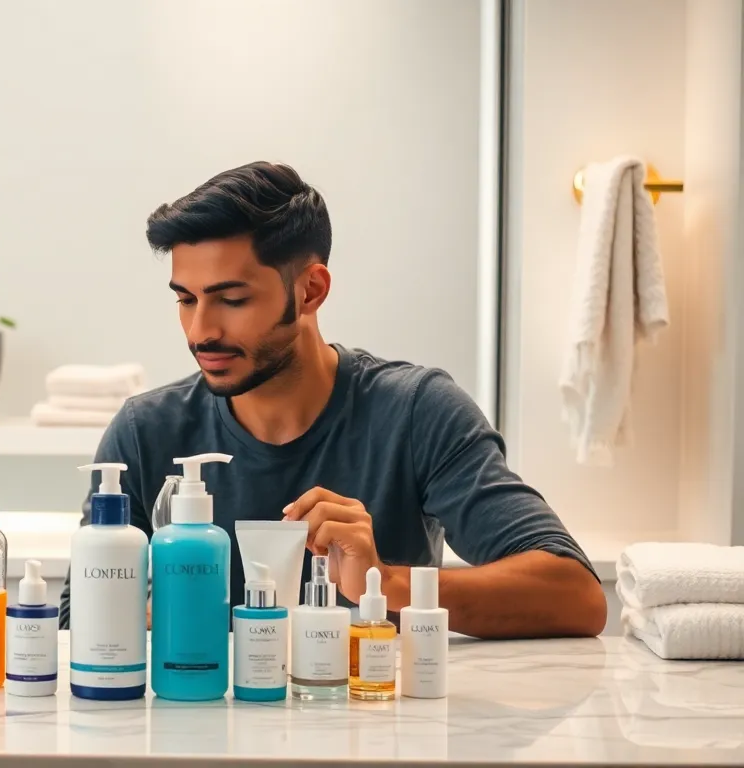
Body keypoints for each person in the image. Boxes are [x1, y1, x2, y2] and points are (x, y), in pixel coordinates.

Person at [58, 161, 606, 639]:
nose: (201, 330)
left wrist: (384, 582)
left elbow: (576, 596)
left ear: (310, 290)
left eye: (232, 299)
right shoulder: (144, 431)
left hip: (373, 740)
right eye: (185, 299)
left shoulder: (416, 412)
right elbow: (73, 625)